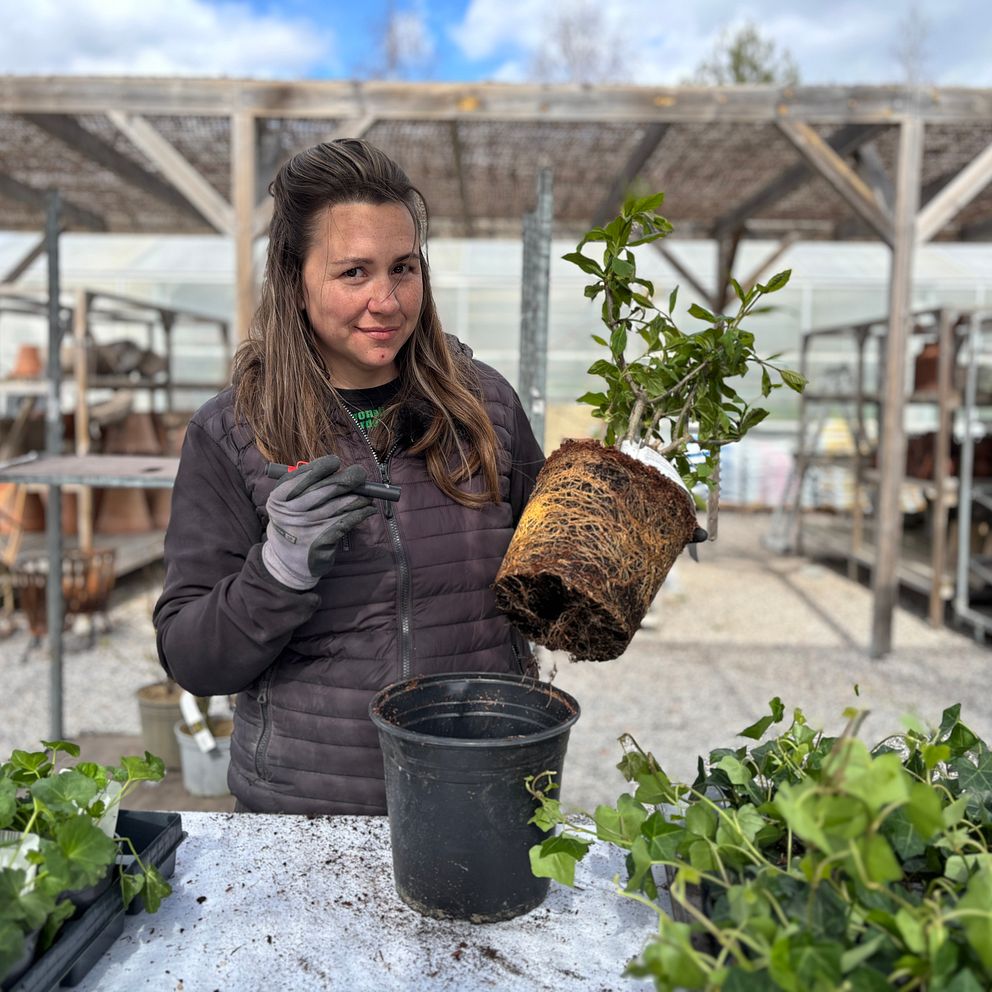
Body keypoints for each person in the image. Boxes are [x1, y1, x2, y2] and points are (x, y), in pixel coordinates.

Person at [153, 139, 544, 815]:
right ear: (295, 280)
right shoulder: (232, 430)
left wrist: (624, 524)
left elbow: (552, 589)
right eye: (354, 273)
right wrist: (276, 573)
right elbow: (193, 660)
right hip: (303, 812)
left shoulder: (486, 407)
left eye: (403, 268)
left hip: (478, 790)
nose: (386, 301)